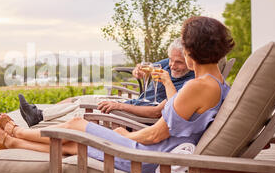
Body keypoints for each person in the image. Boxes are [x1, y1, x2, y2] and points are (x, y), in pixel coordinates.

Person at [0, 16, 235, 173]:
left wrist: (123, 135)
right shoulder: (219, 83)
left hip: (145, 158)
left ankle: (17, 132)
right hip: (155, 153)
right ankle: (12, 141)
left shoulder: (197, 86)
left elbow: (155, 133)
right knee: (74, 145)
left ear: (191, 50)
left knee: (76, 125)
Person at [18, 38, 195, 127]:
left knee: (82, 104)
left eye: (178, 62)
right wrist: (138, 71)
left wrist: (119, 106)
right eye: (170, 60)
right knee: (77, 99)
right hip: (133, 103)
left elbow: (156, 112)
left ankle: (39, 117)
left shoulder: (189, 83)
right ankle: (39, 114)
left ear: (190, 59)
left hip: (136, 115)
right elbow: (143, 69)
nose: (172, 65)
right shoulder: (169, 63)